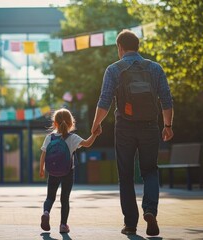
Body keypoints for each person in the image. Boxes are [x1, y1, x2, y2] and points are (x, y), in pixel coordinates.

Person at [91, 29, 174, 236]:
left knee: (126, 175)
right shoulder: (155, 68)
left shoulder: (114, 69)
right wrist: (168, 126)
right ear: (137, 46)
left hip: (125, 128)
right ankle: (150, 211)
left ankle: (130, 223)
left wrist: (96, 125)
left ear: (119, 47)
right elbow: (166, 100)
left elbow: (105, 101)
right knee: (150, 171)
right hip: (149, 127)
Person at [39, 108, 101, 233]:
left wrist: (42, 169)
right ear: (71, 123)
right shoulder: (72, 138)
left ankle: (46, 212)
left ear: (55, 123)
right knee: (64, 199)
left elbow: (43, 154)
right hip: (68, 172)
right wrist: (95, 134)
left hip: (52, 172)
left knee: (50, 197)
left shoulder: (49, 137)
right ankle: (63, 225)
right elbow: (87, 143)